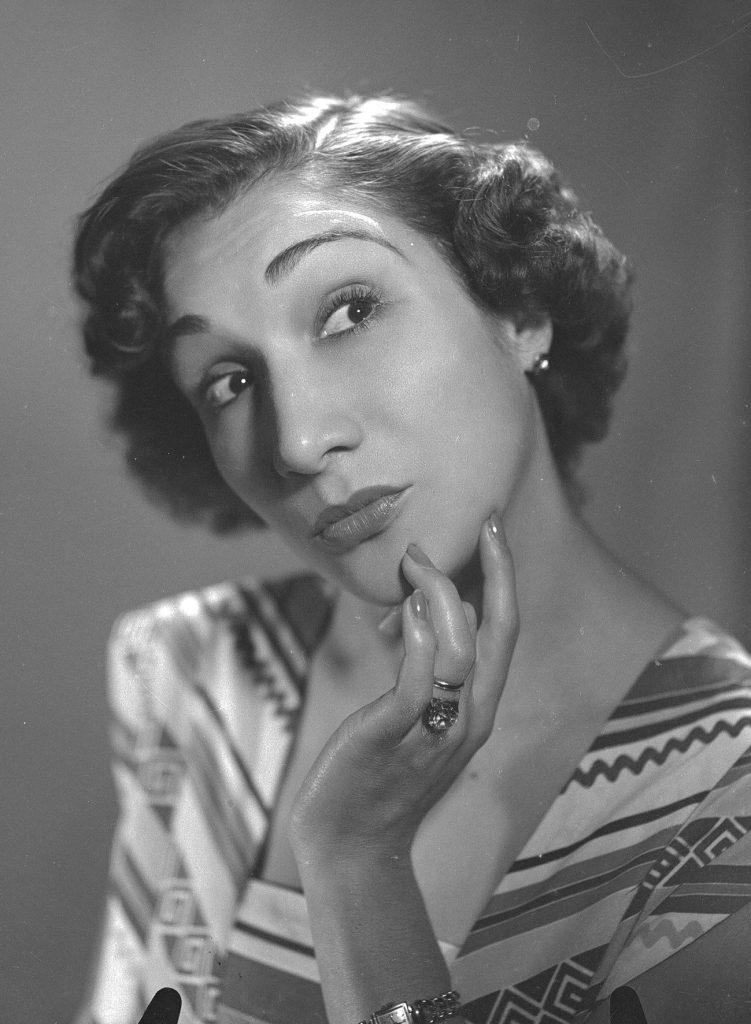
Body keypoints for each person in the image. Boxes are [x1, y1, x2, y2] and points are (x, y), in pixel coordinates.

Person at [72, 94, 751, 1024]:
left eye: (349, 312)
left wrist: (357, 858)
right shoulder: (192, 668)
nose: (297, 441)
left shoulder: (725, 795)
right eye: (229, 381)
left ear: (520, 312)